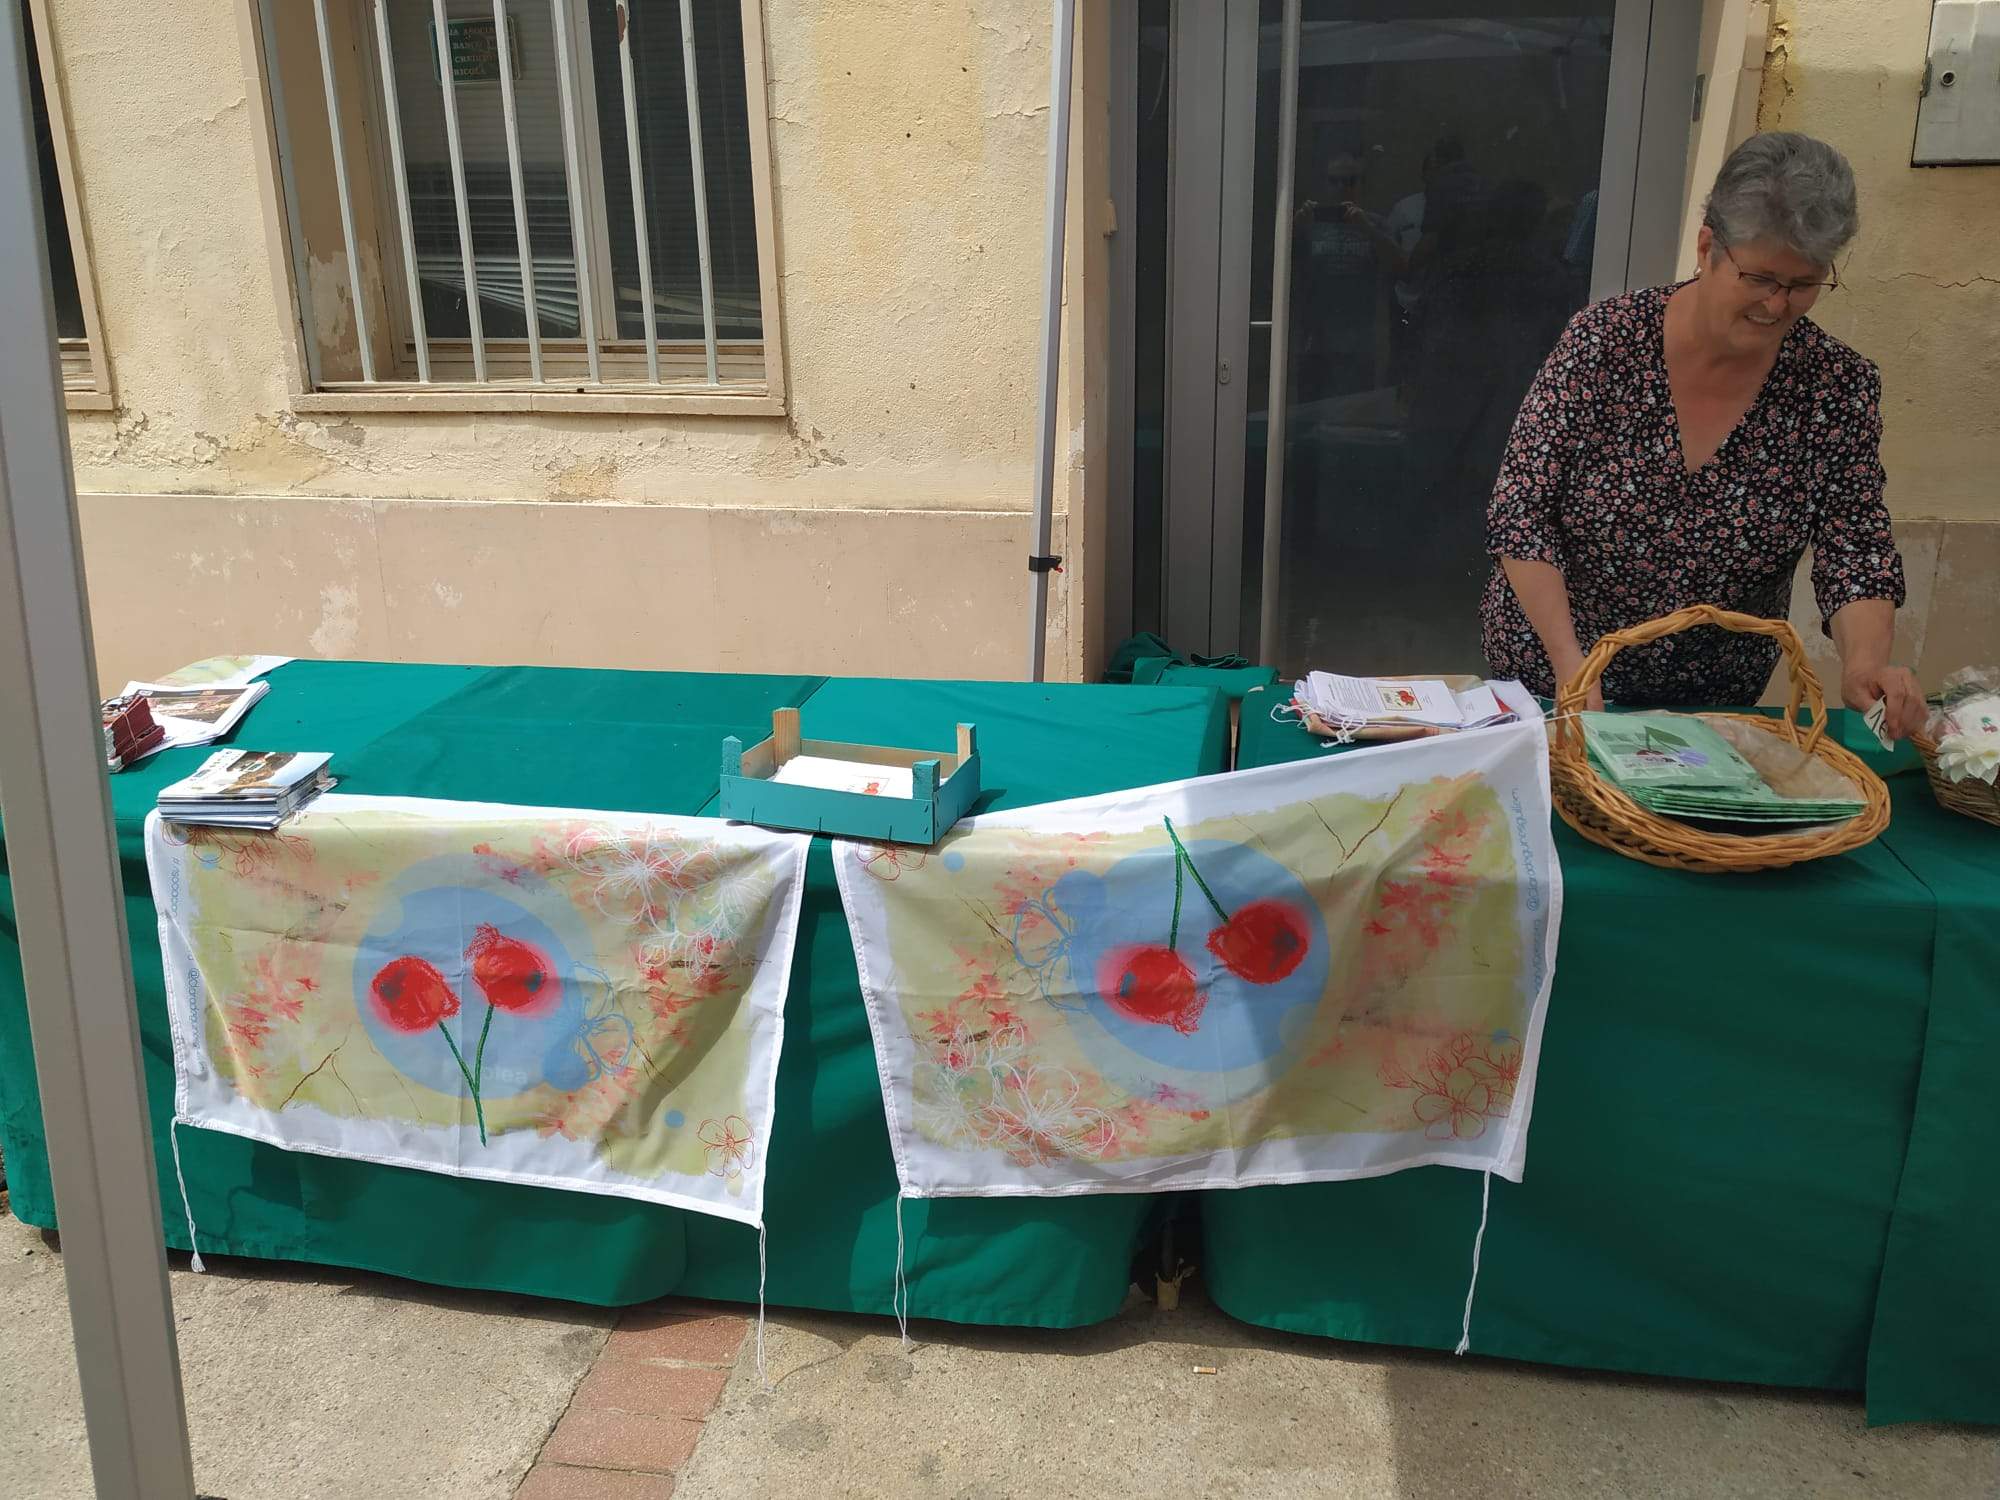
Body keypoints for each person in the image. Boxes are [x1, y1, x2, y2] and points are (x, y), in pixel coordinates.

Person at [1481, 132, 1925, 737]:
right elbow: (1521, 512)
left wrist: (1866, 663)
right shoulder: (1604, 343)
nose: (1779, 305)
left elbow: (1856, 549)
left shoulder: (1835, 387)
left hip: (1713, 707)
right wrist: (1574, 670)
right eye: (1761, 278)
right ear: (1708, 246)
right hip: (1554, 675)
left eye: (1804, 284)